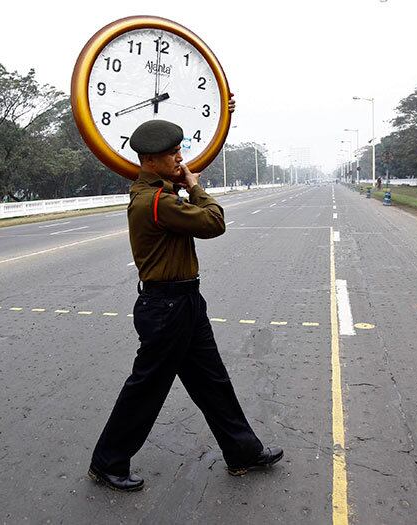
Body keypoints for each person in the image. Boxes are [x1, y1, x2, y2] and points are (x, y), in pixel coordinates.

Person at [88, 114, 283, 493]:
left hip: (184, 301)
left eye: (179, 151)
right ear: (149, 160)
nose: (181, 159)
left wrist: (178, 182)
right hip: (167, 308)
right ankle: (107, 462)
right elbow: (214, 222)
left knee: (213, 382)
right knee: (146, 389)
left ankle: (242, 451)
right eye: (172, 154)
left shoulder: (156, 193)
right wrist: (195, 187)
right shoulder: (156, 202)